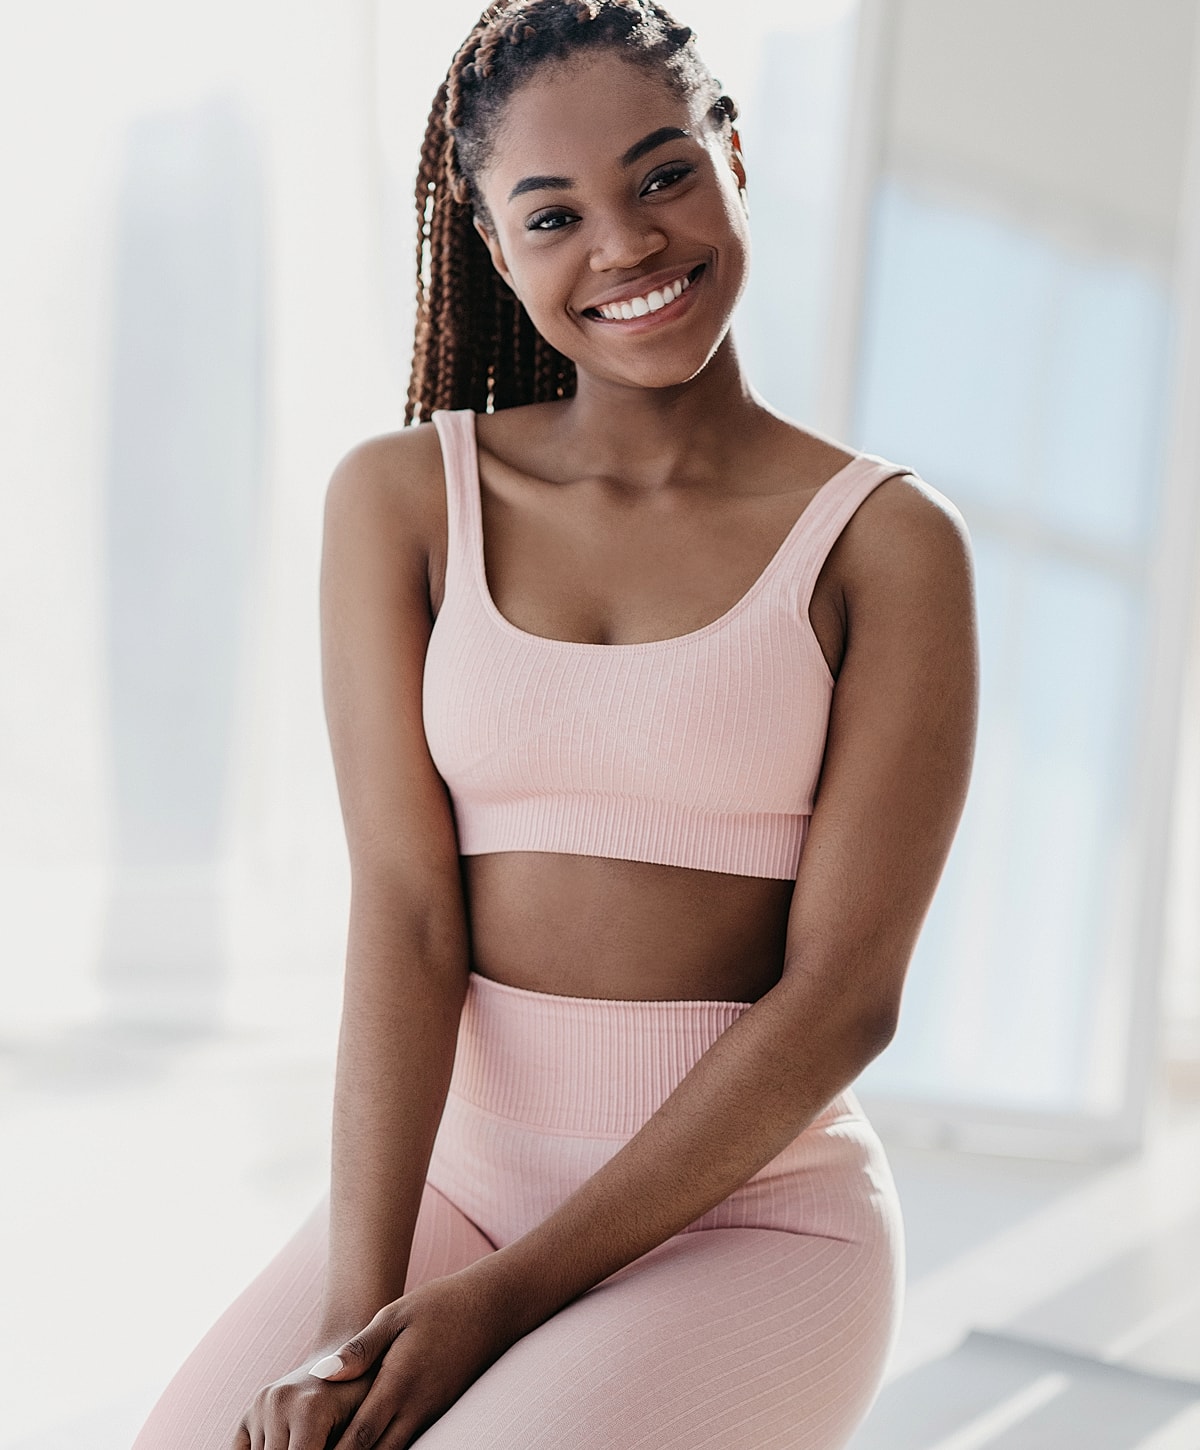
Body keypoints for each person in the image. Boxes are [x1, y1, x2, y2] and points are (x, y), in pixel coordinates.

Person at [131, 1, 978, 1446]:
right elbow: (406, 913)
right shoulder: (402, 502)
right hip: (457, 1190)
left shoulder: (885, 545)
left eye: (662, 176)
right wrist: (361, 1303)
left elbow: (848, 993)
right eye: (553, 214)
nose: (627, 246)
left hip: (752, 1220)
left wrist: (498, 1301)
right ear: (490, 242)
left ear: (733, 159)